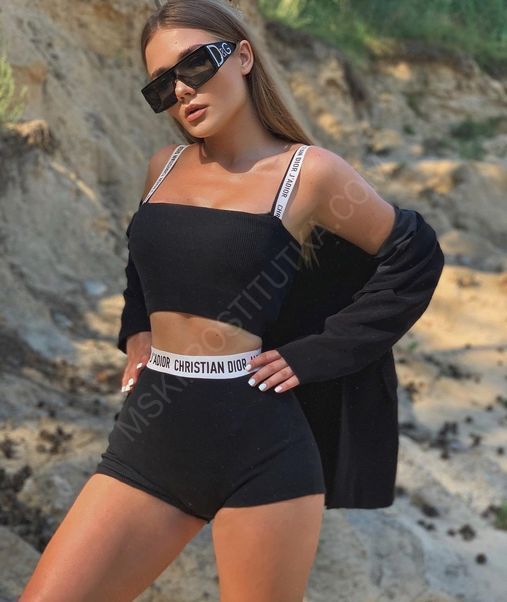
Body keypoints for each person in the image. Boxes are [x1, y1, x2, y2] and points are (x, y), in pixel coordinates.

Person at [20, 1, 444, 600]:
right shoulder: (162, 167)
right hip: (152, 435)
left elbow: (414, 255)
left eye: (194, 65)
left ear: (243, 55)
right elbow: (146, 261)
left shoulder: (309, 173)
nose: (181, 91)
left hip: (264, 451)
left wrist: (320, 353)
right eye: (162, 85)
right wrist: (137, 327)